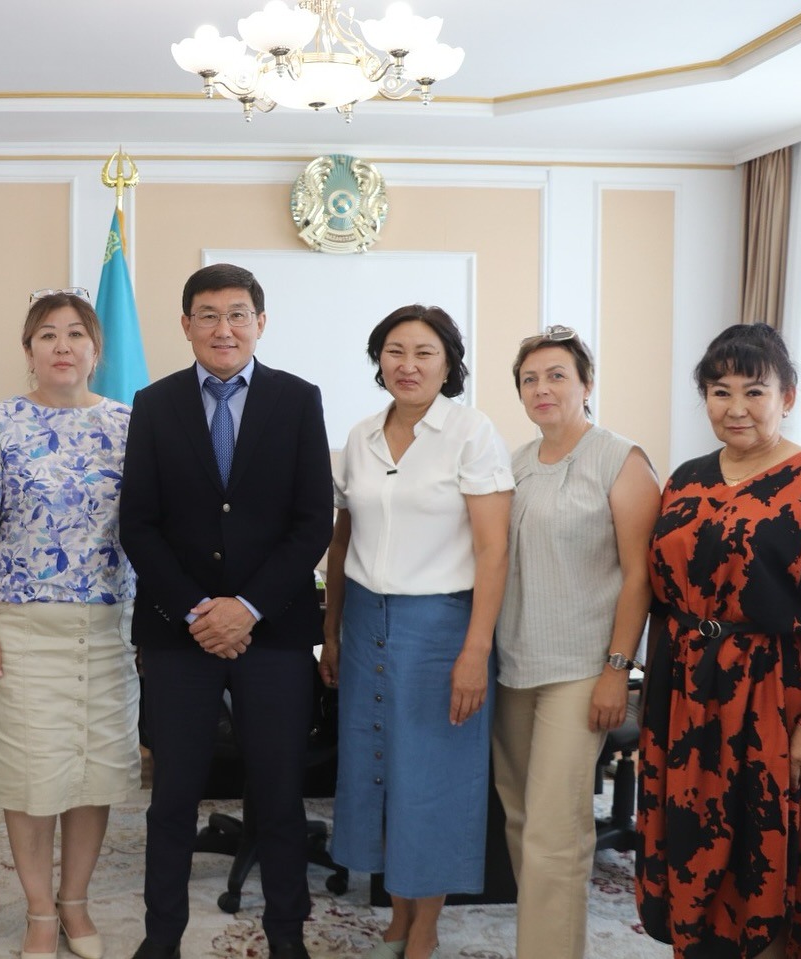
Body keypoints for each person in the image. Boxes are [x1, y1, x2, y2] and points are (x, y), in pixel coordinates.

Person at [637, 322, 801, 959]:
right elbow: (658, 593)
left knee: (761, 847)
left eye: (754, 391)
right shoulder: (685, 479)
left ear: (787, 396)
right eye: (720, 392)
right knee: (690, 839)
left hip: (773, 694)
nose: (735, 407)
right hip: (686, 689)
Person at [120, 263, 333, 959]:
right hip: (179, 636)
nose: (224, 328)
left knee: (279, 794)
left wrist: (246, 607)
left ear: (260, 323)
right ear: (186, 325)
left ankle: (286, 937)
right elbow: (138, 524)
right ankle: (161, 939)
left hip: (273, 633)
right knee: (173, 798)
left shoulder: (298, 400)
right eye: (208, 315)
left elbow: (313, 520)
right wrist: (197, 611)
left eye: (238, 314)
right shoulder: (154, 404)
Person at [320, 304, 512, 959]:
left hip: (441, 626)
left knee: (431, 779)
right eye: (395, 351)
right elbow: (342, 539)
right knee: (376, 771)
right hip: (365, 619)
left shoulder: (470, 432)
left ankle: (424, 926)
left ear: (448, 363)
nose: (408, 364)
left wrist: (475, 650)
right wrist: (332, 631)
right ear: (379, 360)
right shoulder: (360, 436)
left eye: (424, 352)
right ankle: (397, 917)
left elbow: (493, 550)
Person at [0, 289, 140, 959]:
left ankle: (75, 902)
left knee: (95, 774)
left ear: (96, 349)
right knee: (32, 777)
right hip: (22, 629)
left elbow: (148, 527)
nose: (63, 346)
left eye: (76, 333)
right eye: (48, 334)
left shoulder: (128, 424)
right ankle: (38, 910)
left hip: (108, 627)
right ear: (29, 349)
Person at [491, 326, 660, 959]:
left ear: (586, 384)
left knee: (555, 832)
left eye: (557, 375)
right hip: (514, 664)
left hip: (583, 669)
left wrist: (618, 668)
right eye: (529, 379)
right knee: (519, 818)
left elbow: (641, 574)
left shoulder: (620, 459)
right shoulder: (513, 463)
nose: (542, 388)